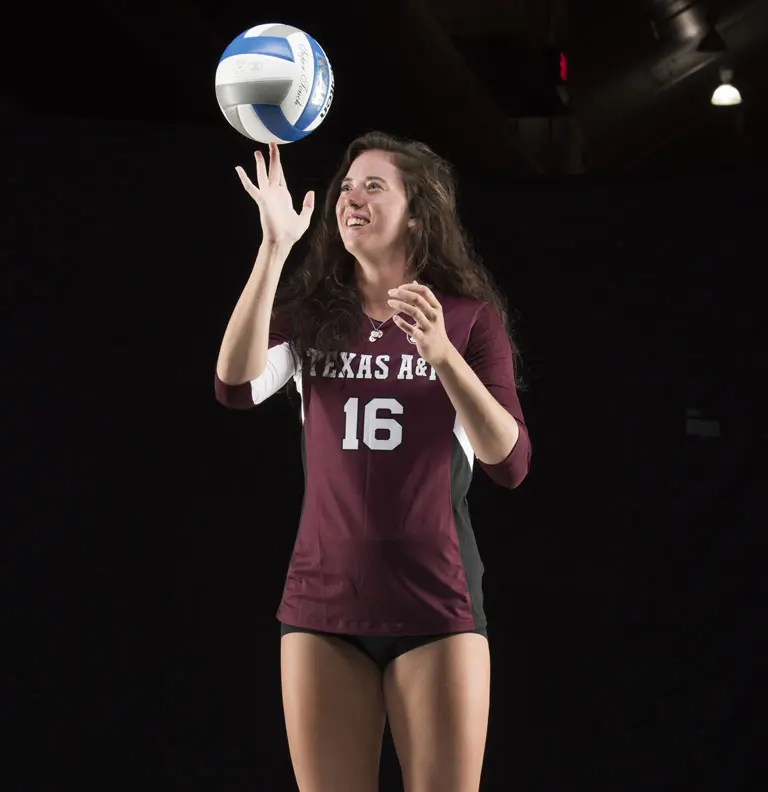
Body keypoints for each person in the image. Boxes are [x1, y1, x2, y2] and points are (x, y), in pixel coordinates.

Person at [214, 132, 531, 792]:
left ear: (417, 213)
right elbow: (235, 387)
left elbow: (510, 462)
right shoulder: (313, 318)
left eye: (372, 186)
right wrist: (273, 250)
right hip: (322, 606)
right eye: (345, 187)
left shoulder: (467, 322)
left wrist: (441, 356)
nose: (349, 198)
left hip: (436, 607)